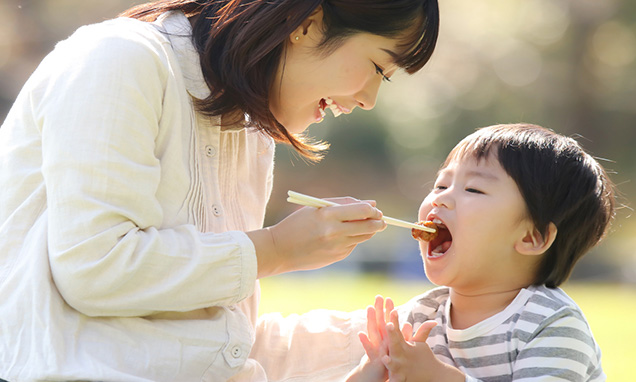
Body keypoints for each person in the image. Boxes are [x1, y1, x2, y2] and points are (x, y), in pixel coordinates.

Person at [0, 1, 439, 381]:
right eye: (379, 67)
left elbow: (221, 345)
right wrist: (275, 249)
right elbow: (96, 267)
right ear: (307, 23)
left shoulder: (250, 137)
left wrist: (420, 327)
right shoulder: (120, 58)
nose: (369, 99)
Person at [346, 123, 616, 382]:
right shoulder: (422, 315)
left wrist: (441, 378)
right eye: (441, 185)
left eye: (473, 189)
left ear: (531, 237)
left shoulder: (552, 324)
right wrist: (371, 372)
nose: (439, 198)